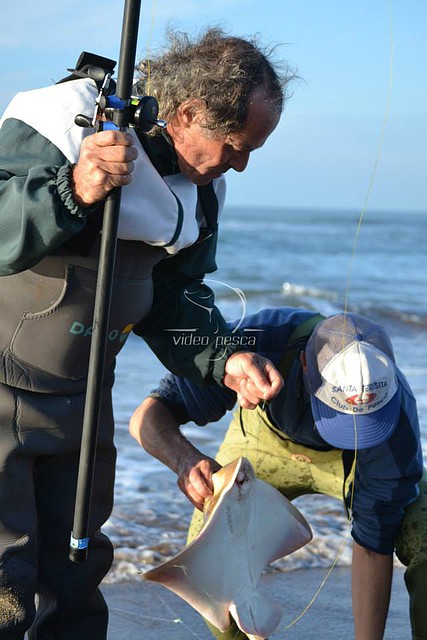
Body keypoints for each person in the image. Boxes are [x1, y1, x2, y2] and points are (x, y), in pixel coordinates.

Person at [0, 29, 290, 639]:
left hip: (85, 408)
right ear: (188, 114)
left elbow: (173, 297)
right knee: (4, 582)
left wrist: (222, 359)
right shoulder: (61, 121)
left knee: (76, 578)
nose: (241, 163)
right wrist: (73, 190)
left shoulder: (201, 194)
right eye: (236, 146)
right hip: (2, 396)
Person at [130, 308, 427, 640]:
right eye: (337, 413)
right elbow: (148, 416)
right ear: (303, 365)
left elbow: (374, 544)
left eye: (365, 421)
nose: (354, 429)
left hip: (357, 464)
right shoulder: (257, 344)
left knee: (424, 537)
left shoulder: (395, 425)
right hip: (262, 454)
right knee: (214, 570)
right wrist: (185, 460)